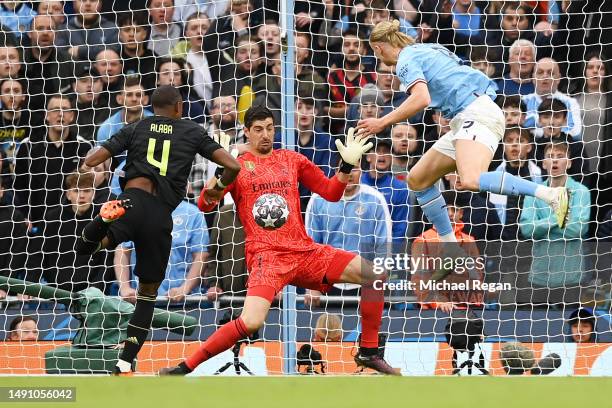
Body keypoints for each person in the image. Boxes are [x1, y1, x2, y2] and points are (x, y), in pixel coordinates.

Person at [160, 105, 399, 376]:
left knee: (375, 276)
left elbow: (331, 193)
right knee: (250, 321)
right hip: (267, 257)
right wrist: (220, 173)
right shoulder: (234, 165)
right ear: (247, 132)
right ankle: (184, 367)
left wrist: (345, 167)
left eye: (270, 128)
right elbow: (205, 204)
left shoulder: (291, 159)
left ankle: (368, 352)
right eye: (258, 129)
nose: (265, 135)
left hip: (304, 252)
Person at [357, 20, 569, 278]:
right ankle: (451, 249)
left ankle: (551, 194)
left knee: (469, 179)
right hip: (465, 117)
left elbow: (421, 98)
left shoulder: (405, 60)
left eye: (376, 53)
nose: (379, 60)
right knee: (418, 179)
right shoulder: (428, 48)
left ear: (379, 48)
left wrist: (382, 121)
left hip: (476, 113)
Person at [76, 85, 241, 375]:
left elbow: (91, 160)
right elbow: (233, 165)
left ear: (153, 107)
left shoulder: (136, 127)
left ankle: (102, 221)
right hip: (161, 215)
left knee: (87, 248)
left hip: (131, 201)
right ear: (179, 107)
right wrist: (216, 190)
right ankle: (125, 362)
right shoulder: (191, 131)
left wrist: (113, 155)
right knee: (148, 294)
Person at [304, 166, 391, 303]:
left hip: (366, 282)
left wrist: (378, 283)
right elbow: (310, 246)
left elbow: (384, 246)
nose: (349, 174)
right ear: (335, 171)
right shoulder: (318, 199)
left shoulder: (375, 199)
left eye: (354, 169)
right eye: (344, 168)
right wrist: (311, 285)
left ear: (362, 171)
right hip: (328, 282)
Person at [519, 142, 590, 300]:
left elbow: (578, 230)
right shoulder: (532, 192)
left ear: (569, 163)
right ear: (544, 164)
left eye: (560, 156)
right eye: (550, 157)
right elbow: (527, 229)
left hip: (572, 277)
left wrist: (543, 227)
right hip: (540, 276)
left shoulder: (581, 191)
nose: (555, 161)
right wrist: (560, 217)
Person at [13, 95, 92, 229]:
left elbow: (88, 186)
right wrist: (24, 217)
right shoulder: (28, 146)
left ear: (72, 116)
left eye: (65, 110)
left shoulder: (84, 147)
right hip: (35, 226)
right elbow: (19, 188)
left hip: (71, 225)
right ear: (47, 115)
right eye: (55, 109)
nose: (61, 114)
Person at [114, 199, 209, 304]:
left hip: (185, 303)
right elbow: (122, 251)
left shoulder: (193, 213)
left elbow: (201, 256)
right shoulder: (135, 211)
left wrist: (184, 288)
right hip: (140, 301)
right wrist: (125, 288)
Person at [411, 191, 484, 313]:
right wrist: (438, 300)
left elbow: (477, 277)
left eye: (454, 209)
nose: (450, 213)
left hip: (465, 307)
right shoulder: (423, 240)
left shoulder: (469, 240)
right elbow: (419, 280)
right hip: (433, 310)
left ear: (461, 213)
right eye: (445, 209)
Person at [361, 138, 409, 244]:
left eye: (387, 151)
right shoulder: (356, 182)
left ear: (392, 158)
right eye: (377, 150)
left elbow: (400, 226)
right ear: (368, 157)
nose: (382, 155)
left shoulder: (400, 188)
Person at [522, 58, 582, 139]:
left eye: (550, 73)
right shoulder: (523, 101)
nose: (545, 76)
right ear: (533, 78)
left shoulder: (570, 102)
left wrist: (533, 126)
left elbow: (575, 133)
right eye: (540, 72)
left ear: (558, 78)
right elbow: (516, 128)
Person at [96, 77, 153, 145]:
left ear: (146, 100)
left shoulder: (155, 122)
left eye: (138, 95)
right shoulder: (106, 129)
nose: (134, 99)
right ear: (119, 99)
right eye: (129, 95)